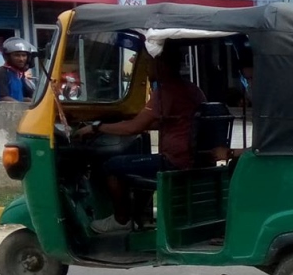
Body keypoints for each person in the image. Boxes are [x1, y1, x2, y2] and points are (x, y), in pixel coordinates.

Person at [78, 45, 206, 234]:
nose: (147, 69)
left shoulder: (166, 92)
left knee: (112, 166)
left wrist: (96, 127)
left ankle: (121, 220)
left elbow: (133, 128)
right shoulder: (192, 90)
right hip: (191, 158)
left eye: (149, 64)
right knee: (141, 163)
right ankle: (138, 217)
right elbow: (170, 121)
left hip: (174, 161)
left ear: (162, 65)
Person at [0, 37, 36, 103]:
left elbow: (22, 97)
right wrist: (21, 105)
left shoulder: (18, 74)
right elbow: (3, 98)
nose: (21, 59)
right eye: (17, 55)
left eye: (24, 55)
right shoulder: (2, 72)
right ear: (8, 57)